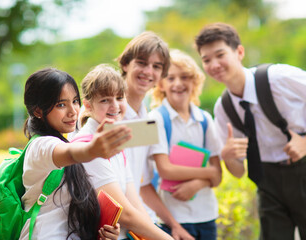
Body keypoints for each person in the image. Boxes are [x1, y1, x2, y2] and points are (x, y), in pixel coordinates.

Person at [195, 22, 306, 240]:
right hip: (267, 181)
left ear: (239, 52)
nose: (214, 64)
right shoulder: (223, 108)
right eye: (206, 60)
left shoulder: (279, 77)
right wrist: (228, 157)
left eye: (220, 55)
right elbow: (238, 172)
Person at [20, 67, 132, 240]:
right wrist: (92, 149)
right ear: (38, 111)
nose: (73, 111)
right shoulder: (40, 146)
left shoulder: (64, 141)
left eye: (75, 101)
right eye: (61, 105)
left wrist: (105, 233)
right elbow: (72, 154)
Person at [74, 64, 173, 240]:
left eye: (120, 97)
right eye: (105, 100)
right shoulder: (88, 147)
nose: (115, 106)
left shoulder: (113, 141)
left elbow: (134, 205)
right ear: (88, 106)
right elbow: (125, 213)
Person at [117, 31, 195, 240]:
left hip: (141, 227)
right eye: (141, 63)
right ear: (125, 64)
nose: (148, 71)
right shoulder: (108, 114)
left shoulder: (147, 119)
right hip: (114, 229)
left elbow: (141, 183)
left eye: (157, 66)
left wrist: (174, 226)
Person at [147, 49, 222, 240]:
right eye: (170, 78)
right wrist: (208, 174)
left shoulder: (204, 119)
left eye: (185, 77)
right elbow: (166, 170)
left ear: (194, 81)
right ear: (161, 84)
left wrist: (197, 184)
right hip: (174, 218)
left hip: (207, 215)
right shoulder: (156, 119)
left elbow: (218, 175)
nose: (178, 84)